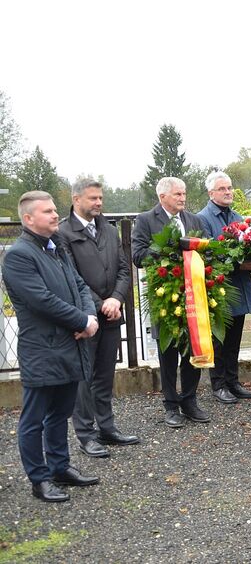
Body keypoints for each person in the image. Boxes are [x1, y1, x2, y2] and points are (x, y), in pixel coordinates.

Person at [2, 191, 100, 502]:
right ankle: (39, 478)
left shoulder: (55, 248)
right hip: (44, 349)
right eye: (47, 211)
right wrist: (82, 322)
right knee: (34, 419)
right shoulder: (18, 256)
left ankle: (60, 467)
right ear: (28, 219)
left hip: (69, 346)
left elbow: (80, 285)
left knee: (60, 413)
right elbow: (42, 301)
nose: (56, 215)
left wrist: (89, 315)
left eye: (55, 210)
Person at [58, 179, 139, 458]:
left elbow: (123, 269)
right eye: (93, 198)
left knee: (105, 374)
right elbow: (71, 279)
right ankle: (86, 434)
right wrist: (100, 303)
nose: (99, 203)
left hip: (112, 313)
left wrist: (116, 299)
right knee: (85, 377)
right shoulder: (64, 233)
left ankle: (107, 427)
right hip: (86, 317)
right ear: (76, 199)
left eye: (101, 198)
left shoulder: (108, 229)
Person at [132, 177, 211, 428]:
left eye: (184, 193)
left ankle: (189, 401)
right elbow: (138, 256)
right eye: (177, 194)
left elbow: (206, 249)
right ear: (162, 196)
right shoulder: (145, 220)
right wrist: (170, 251)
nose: (182, 198)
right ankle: (170, 405)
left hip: (194, 295)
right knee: (168, 354)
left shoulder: (194, 220)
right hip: (165, 295)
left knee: (192, 348)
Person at [197, 172, 251, 404]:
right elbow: (208, 254)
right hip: (219, 289)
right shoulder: (202, 219)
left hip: (239, 287)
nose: (228, 192)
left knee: (234, 341)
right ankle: (219, 384)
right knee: (219, 341)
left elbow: (248, 246)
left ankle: (233, 381)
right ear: (211, 193)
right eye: (222, 189)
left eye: (230, 188)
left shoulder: (237, 215)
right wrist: (238, 263)